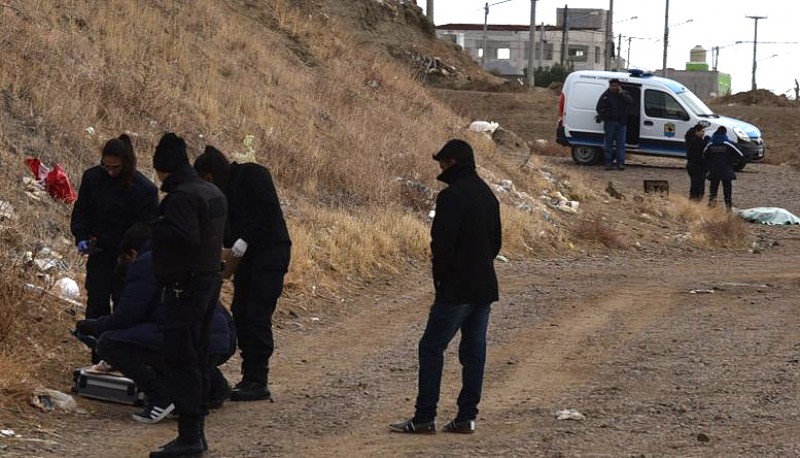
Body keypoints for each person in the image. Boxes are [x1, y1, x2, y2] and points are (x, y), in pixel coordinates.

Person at [389, 139, 501, 435]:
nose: (439, 167)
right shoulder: (488, 196)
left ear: (453, 163)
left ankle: (424, 417)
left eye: (442, 162)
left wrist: (441, 281)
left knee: (431, 347)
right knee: (474, 351)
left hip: (457, 289)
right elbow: (496, 243)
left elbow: (441, 246)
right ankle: (466, 417)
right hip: (484, 287)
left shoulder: (452, 197)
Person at [75, 224, 236, 425]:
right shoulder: (179, 255)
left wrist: (94, 326)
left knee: (110, 343)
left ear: (133, 252)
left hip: (191, 340)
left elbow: (127, 317)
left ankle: (161, 397)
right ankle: (214, 388)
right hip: (221, 342)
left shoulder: (146, 264)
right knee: (163, 339)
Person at [149, 133, 227, 457]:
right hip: (208, 283)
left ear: (163, 170)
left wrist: (154, 227)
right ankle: (196, 432)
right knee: (197, 355)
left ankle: (190, 435)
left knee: (182, 359)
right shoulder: (212, 192)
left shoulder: (181, 198)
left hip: (185, 288)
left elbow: (184, 237)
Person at [194, 146, 291, 402]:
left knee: (257, 314)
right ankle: (250, 376)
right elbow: (226, 233)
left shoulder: (253, 174)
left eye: (207, 180)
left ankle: (259, 379)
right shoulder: (222, 195)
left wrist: (245, 238)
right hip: (246, 260)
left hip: (270, 253)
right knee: (241, 312)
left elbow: (267, 211)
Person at [70, 133, 159, 362]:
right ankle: (97, 358)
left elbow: (147, 229)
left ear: (126, 164)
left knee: (125, 309)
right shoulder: (92, 178)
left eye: (115, 167)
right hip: (99, 253)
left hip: (128, 258)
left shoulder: (144, 190)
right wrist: (81, 236)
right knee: (97, 304)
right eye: (106, 166)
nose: (110, 172)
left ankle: (122, 359)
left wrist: (131, 254)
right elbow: (81, 212)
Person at [702, 126, 744, 210]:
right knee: (727, 191)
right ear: (725, 133)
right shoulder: (728, 144)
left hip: (714, 170)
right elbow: (740, 154)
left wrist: (710, 164)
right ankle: (728, 208)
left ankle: (711, 208)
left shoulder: (711, 144)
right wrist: (732, 161)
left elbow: (704, 155)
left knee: (713, 191)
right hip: (726, 170)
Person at [596, 78, 633, 170]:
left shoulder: (624, 94)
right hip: (610, 123)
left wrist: (621, 94)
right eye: (611, 85)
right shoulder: (606, 95)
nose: (613, 87)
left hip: (621, 123)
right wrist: (605, 117)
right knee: (608, 144)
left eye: (615, 86)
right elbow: (599, 107)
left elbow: (630, 101)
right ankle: (608, 163)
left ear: (619, 86)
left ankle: (620, 163)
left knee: (620, 145)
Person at [685, 122, 710, 201]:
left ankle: (694, 200)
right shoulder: (696, 141)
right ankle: (696, 200)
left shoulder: (690, 139)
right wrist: (706, 141)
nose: (703, 133)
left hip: (693, 165)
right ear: (697, 131)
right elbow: (701, 150)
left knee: (695, 184)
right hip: (697, 166)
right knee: (698, 185)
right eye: (702, 131)